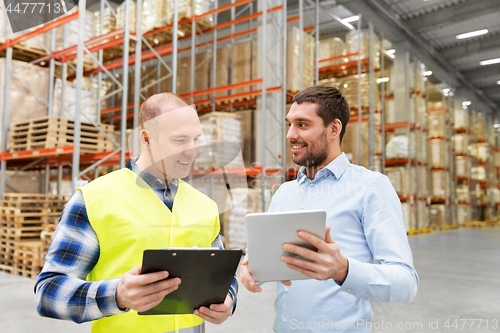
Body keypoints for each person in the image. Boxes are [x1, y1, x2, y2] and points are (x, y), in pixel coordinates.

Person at [35, 93, 237, 332]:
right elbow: (48, 292)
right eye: (180, 140)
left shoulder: (205, 205)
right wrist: (117, 295)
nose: (192, 151)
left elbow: (223, 274)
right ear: (146, 138)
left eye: (196, 139)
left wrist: (229, 299)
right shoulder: (94, 199)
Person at [240, 85, 418, 332]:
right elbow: (268, 255)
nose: (291, 134)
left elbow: (406, 283)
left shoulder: (371, 188)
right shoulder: (284, 193)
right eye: (289, 124)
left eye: (302, 125)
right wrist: (252, 264)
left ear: (334, 128)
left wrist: (344, 270)